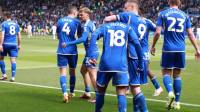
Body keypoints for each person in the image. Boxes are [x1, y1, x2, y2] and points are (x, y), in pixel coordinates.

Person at [150, 0, 200, 110]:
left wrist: (153, 45)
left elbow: (158, 32)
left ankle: (170, 92)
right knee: (177, 76)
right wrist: (197, 49)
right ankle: (177, 102)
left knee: (166, 73)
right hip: (181, 50)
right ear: (180, 3)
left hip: (168, 49)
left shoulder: (163, 14)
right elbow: (191, 34)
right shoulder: (185, 15)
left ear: (169, 2)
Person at [88, 21, 143, 112]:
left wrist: (92, 55)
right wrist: (140, 63)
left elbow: (94, 35)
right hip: (120, 64)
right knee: (121, 92)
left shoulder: (105, 26)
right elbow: (137, 44)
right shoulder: (127, 27)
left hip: (105, 63)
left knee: (100, 91)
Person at [104, 0, 148, 111]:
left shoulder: (127, 16)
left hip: (129, 54)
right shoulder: (144, 20)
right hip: (141, 55)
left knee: (126, 87)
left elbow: (107, 19)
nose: (124, 9)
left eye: (125, 7)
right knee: (135, 86)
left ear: (132, 7)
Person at [65, 7, 97, 102]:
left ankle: (98, 95)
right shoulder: (91, 24)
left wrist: (69, 43)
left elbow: (83, 39)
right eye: (79, 14)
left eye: (81, 14)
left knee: (92, 74)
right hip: (90, 52)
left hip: (91, 53)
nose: (80, 16)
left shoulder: (87, 25)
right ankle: (87, 92)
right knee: (83, 71)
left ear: (87, 14)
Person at [56, 6, 82, 103]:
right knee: (72, 71)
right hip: (72, 51)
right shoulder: (77, 22)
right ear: (75, 13)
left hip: (61, 50)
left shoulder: (60, 21)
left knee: (63, 73)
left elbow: (58, 35)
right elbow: (79, 37)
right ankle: (71, 92)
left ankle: (65, 93)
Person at [0, 11, 21, 82]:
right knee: (13, 61)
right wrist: (19, 44)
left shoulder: (3, 24)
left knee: (1, 58)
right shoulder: (16, 24)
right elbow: (19, 36)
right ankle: (13, 77)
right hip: (14, 44)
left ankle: (4, 74)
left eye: (3, 16)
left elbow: (2, 35)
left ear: (5, 16)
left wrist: (0, 44)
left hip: (5, 44)